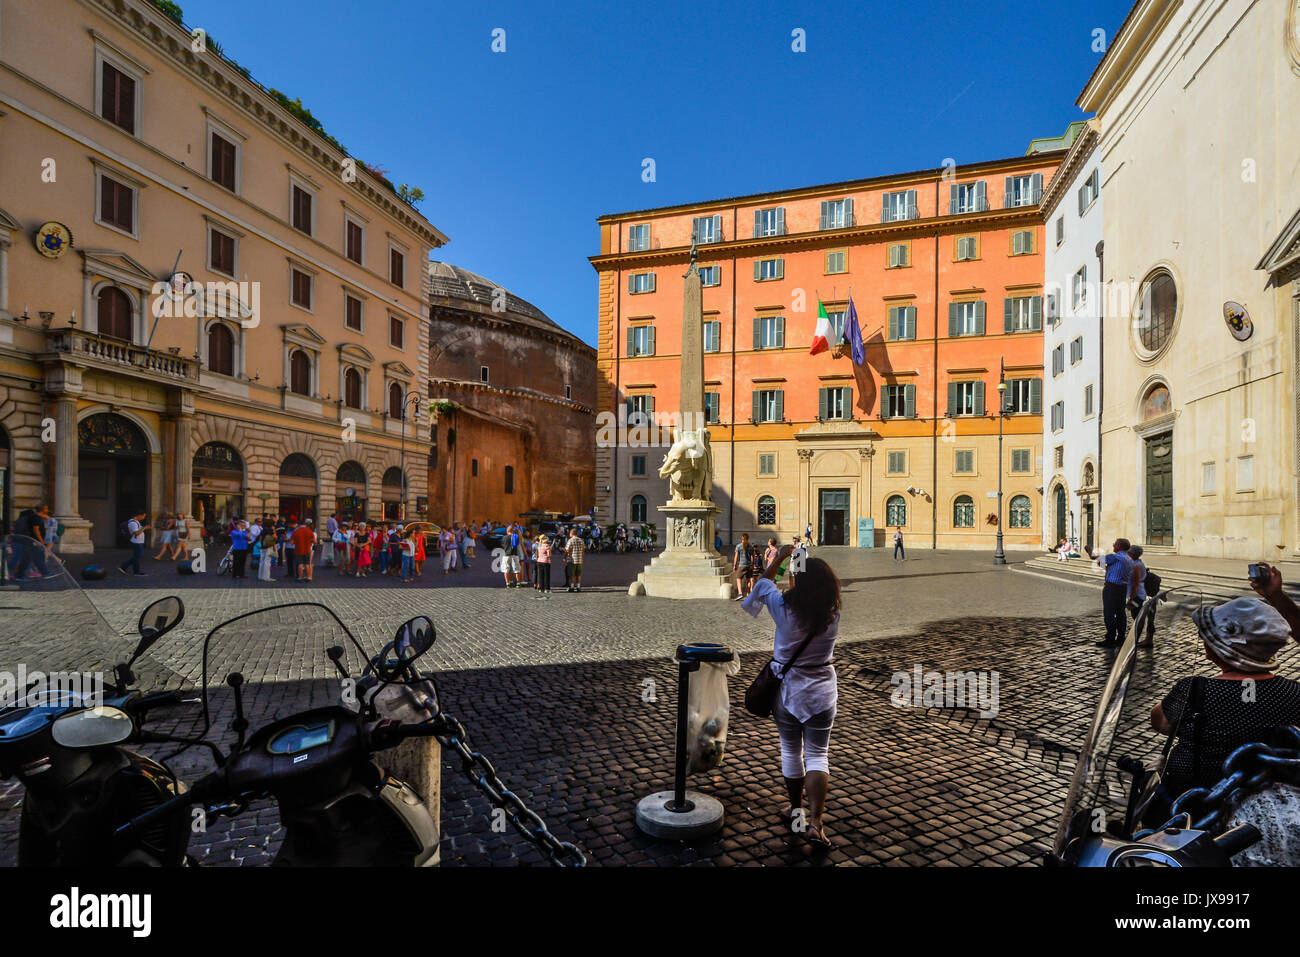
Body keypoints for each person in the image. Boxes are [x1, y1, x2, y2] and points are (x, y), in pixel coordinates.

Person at [1150, 597, 1300, 802]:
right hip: (1264, 798)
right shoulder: (1294, 692)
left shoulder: (1195, 689)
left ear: (1218, 649)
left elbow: (1160, 721)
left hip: (1193, 799)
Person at [743, 543, 841, 849]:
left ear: (798, 582)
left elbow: (762, 584)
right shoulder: (833, 611)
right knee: (817, 755)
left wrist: (783, 558)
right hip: (822, 691)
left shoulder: (783, 607)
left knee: (791, 751)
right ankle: (815, 824)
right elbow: (806, 592)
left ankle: (796, 811)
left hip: (787, 691)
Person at [1086, 538, 1133, 648]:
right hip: (1122, 588)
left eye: (1115, 544)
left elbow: (1094, 557)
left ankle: (1110, 638)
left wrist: (1089, 550)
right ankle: (1120, 638)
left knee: (1109, 613)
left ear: (1119, 546)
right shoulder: (1128, 558)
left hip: (1112, 588)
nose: (1113, 546)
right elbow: (1105, 566)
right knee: (1121, 613)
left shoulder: (1115, 556)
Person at [1126, 544, 1155, 647]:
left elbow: (1136, 583)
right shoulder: (1135, 563)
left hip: (1138, 595)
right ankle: (1143, 639)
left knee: (1137, 617)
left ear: (1132, 554)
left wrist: (1131, 598)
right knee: (1137, 617)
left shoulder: (1137, 565)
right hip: (1138, 594)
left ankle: (1137, 639)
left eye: (1128, 552)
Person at [13, 505, 50, 578]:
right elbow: (36, 530)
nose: (48, 510)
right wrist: (41, 541)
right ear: (43, 510)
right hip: (32, 541)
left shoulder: (31, 517)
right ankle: (45, 573)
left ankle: (19, 574)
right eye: (46, 509)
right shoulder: (36, 517)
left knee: (27, 558)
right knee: (37, 557)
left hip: (28, 540)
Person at [119, 511, 150, 577]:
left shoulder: (136, 522)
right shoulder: (133, 523)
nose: (143, 518)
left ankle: (126, 568)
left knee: (137, 557)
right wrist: (144, 528)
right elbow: (136, 533)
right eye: (143, 516)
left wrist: (144, 527)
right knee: (137, 557)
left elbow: (138, 530)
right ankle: (133, 570)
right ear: (139, 515)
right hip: (136, 542)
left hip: (139, 541)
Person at [732, 533, 754, 601]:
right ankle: (748, 593)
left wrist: (734, 565)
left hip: (741, 565)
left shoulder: (738, 546)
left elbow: (736, 557)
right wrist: (753, 564)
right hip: (749, 565)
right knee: (748, 580)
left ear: (742, 538)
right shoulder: (751, 546)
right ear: (748, 538)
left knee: (738, 579)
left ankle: (740, 593)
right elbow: (753, 556)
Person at [565, 526, 585, 592]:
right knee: (578, 574)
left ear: (572, 533)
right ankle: (578, 587)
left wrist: (564, 557)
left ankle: (572, 587)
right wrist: (582, 558)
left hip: (572, 560)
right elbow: (583, 550)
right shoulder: (581, 540)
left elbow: (567, 550)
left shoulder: (570, 540)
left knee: (572, 574)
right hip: (579, 560)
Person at [534, 533, 553, 598]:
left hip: (539, 561)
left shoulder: (539, 546)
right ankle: (547, 589)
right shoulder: (547, 546)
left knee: (540, 575)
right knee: (546, 575)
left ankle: (541, 588)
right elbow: (549, 555)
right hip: (546, 562)